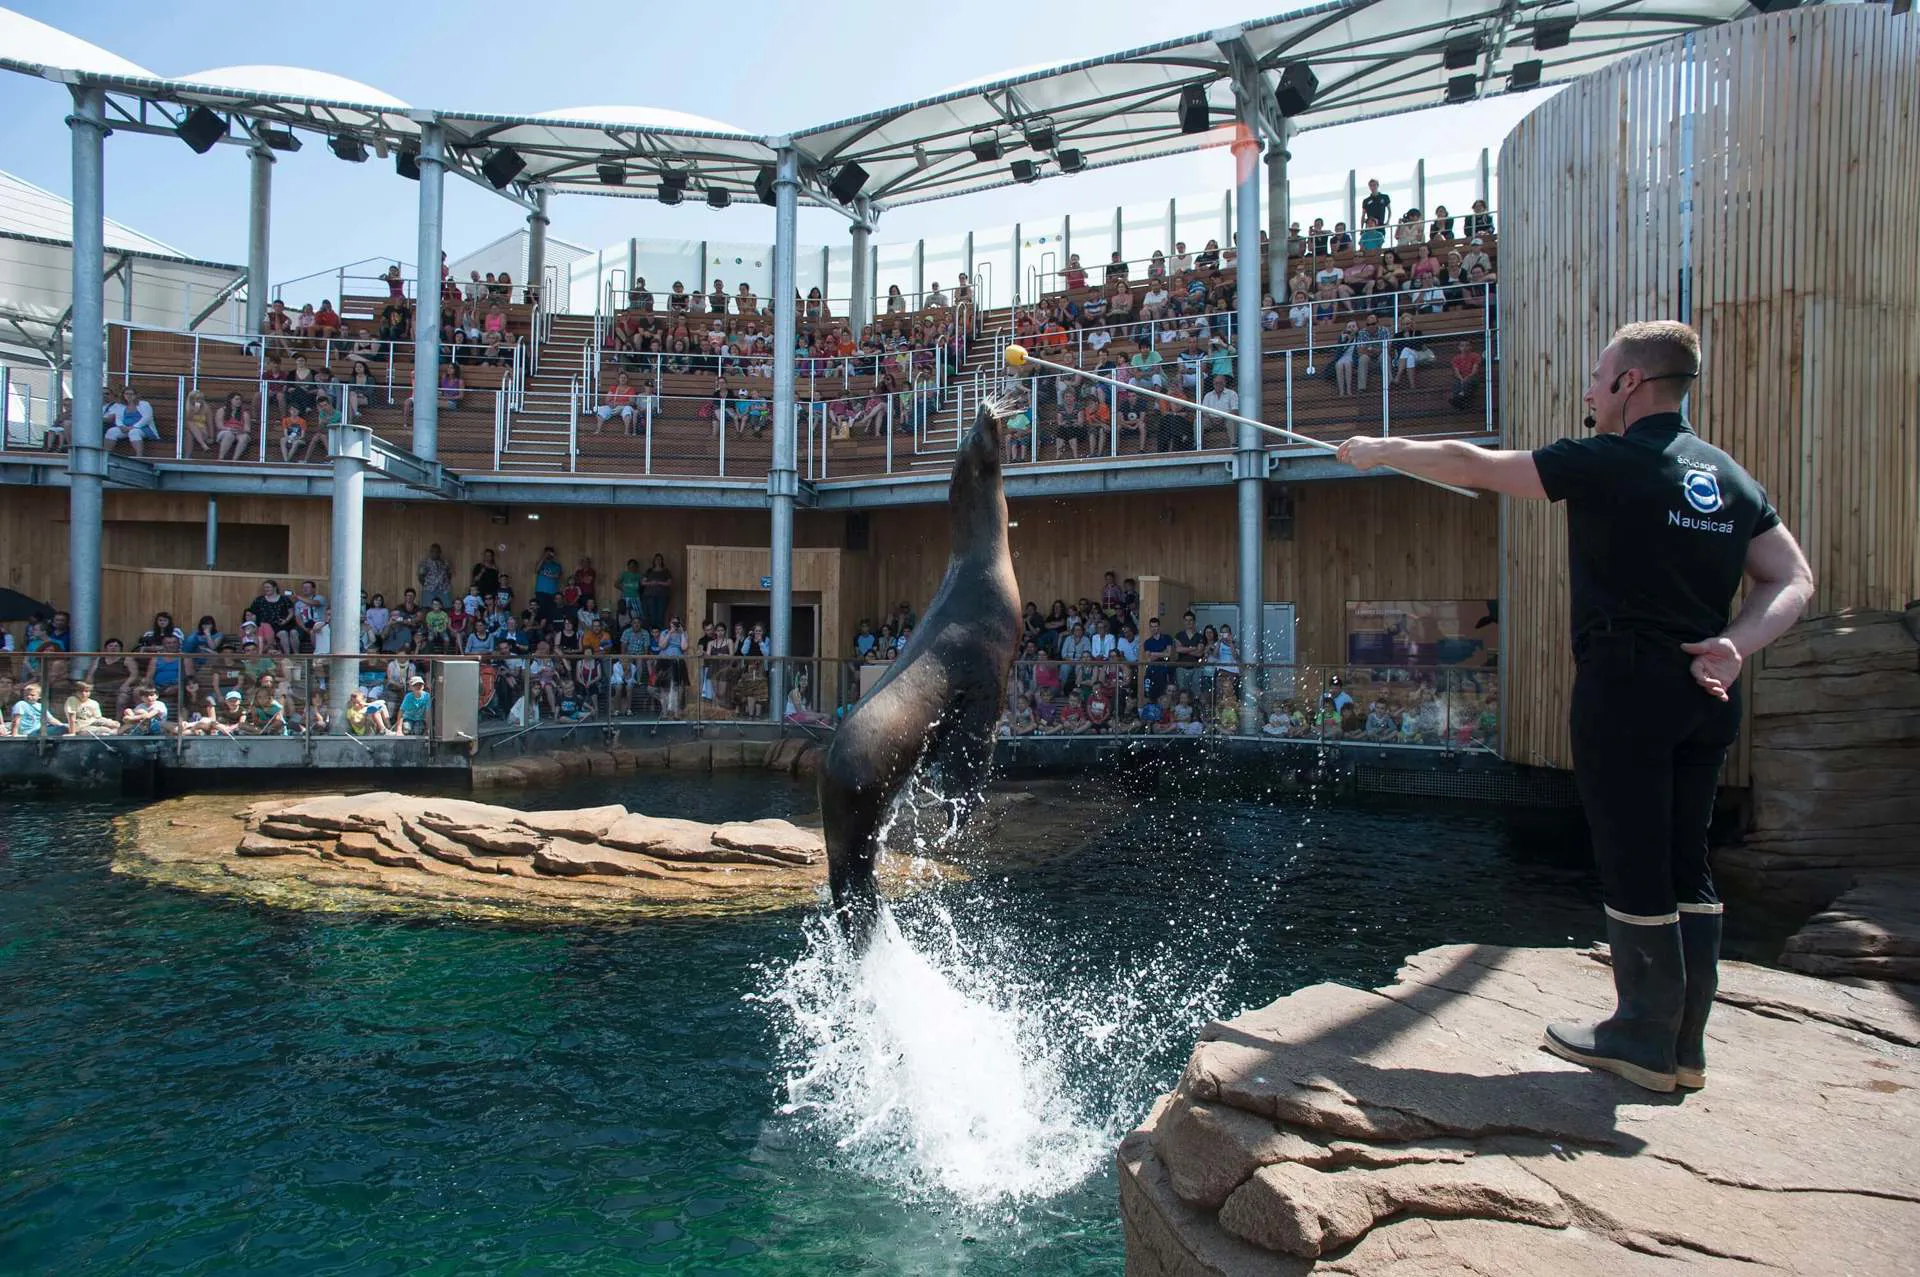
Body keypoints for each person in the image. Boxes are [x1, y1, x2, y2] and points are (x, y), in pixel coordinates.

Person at [1336, 320, 1815, 1094]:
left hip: (1625, 685)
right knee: (1686, 856)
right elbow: (1793, 579)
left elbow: (1475, 464)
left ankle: (1640, 1038)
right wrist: (1735, 644)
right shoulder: (1729, 479)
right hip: (1704, 688)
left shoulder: (1611, 462)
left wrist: (1382, 449)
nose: (1589, 392)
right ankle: (1684, 1044)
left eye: (1598, 378)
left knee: (1633, 857)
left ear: (1630, 384)